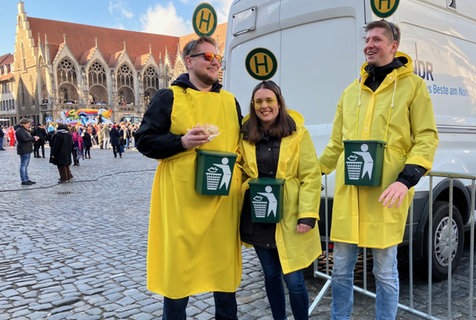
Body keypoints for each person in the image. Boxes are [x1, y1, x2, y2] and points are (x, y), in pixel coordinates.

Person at [318, 20, 439, 320]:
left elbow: (426, 137)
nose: (368, 45)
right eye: (367, 39)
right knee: (342, 269)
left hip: (387, 194)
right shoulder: (350, 92)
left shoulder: (414, 87)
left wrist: (406, 180)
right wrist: (310, 172)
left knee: (384, 270)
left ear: (393, 46)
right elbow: (336, 143)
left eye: (376, 39)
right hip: (350, 195)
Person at [134, 36, 243, 320]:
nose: (215, 61)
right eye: (207, 57)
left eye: (217, 57)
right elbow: (144, 140)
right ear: (189, 61)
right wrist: (181, 142)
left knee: (224, 280)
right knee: (178, 281)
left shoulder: (230, 101)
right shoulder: (168, 97)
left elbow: (245, 146)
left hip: (222, 205)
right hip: (181, 206)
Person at [239, 80, 322, 320]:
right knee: (271, 275)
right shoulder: (245, 135)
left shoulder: (297, 133)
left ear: (278, 102)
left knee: (294, 281)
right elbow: (239, 169)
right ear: (253, 105)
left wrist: (307, 215)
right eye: (259, 102)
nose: (264, 106)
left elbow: (310, 176)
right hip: (259, 215)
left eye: (269, 100)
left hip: (290, 216)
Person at [15, 118, 39, 185]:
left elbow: (27, 138)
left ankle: (26, 179)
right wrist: (33, 138)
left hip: (27, 149)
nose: (29, 125)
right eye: (28, 124)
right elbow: (24, 139)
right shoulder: (20, 130)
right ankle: (24, 180)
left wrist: (33, 138)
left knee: (25, 165)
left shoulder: (24, 130)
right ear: (23, 124)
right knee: (23, 165)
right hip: (23, 149)